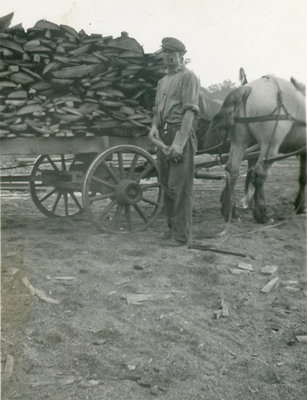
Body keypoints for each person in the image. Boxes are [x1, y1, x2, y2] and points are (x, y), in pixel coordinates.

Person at [149, 37, 200, 246]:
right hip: (164, 135)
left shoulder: (189, 78)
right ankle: (173, 229)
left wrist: (179, 142)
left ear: (182, 55)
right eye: (165, 52)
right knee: (167, 186)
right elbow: (157, 111)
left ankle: (181, 236)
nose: (168, 56)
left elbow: (190, 111)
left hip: (180, 135)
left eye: (173, 52)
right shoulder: (163, 82)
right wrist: (154, 126)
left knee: (180, 188)